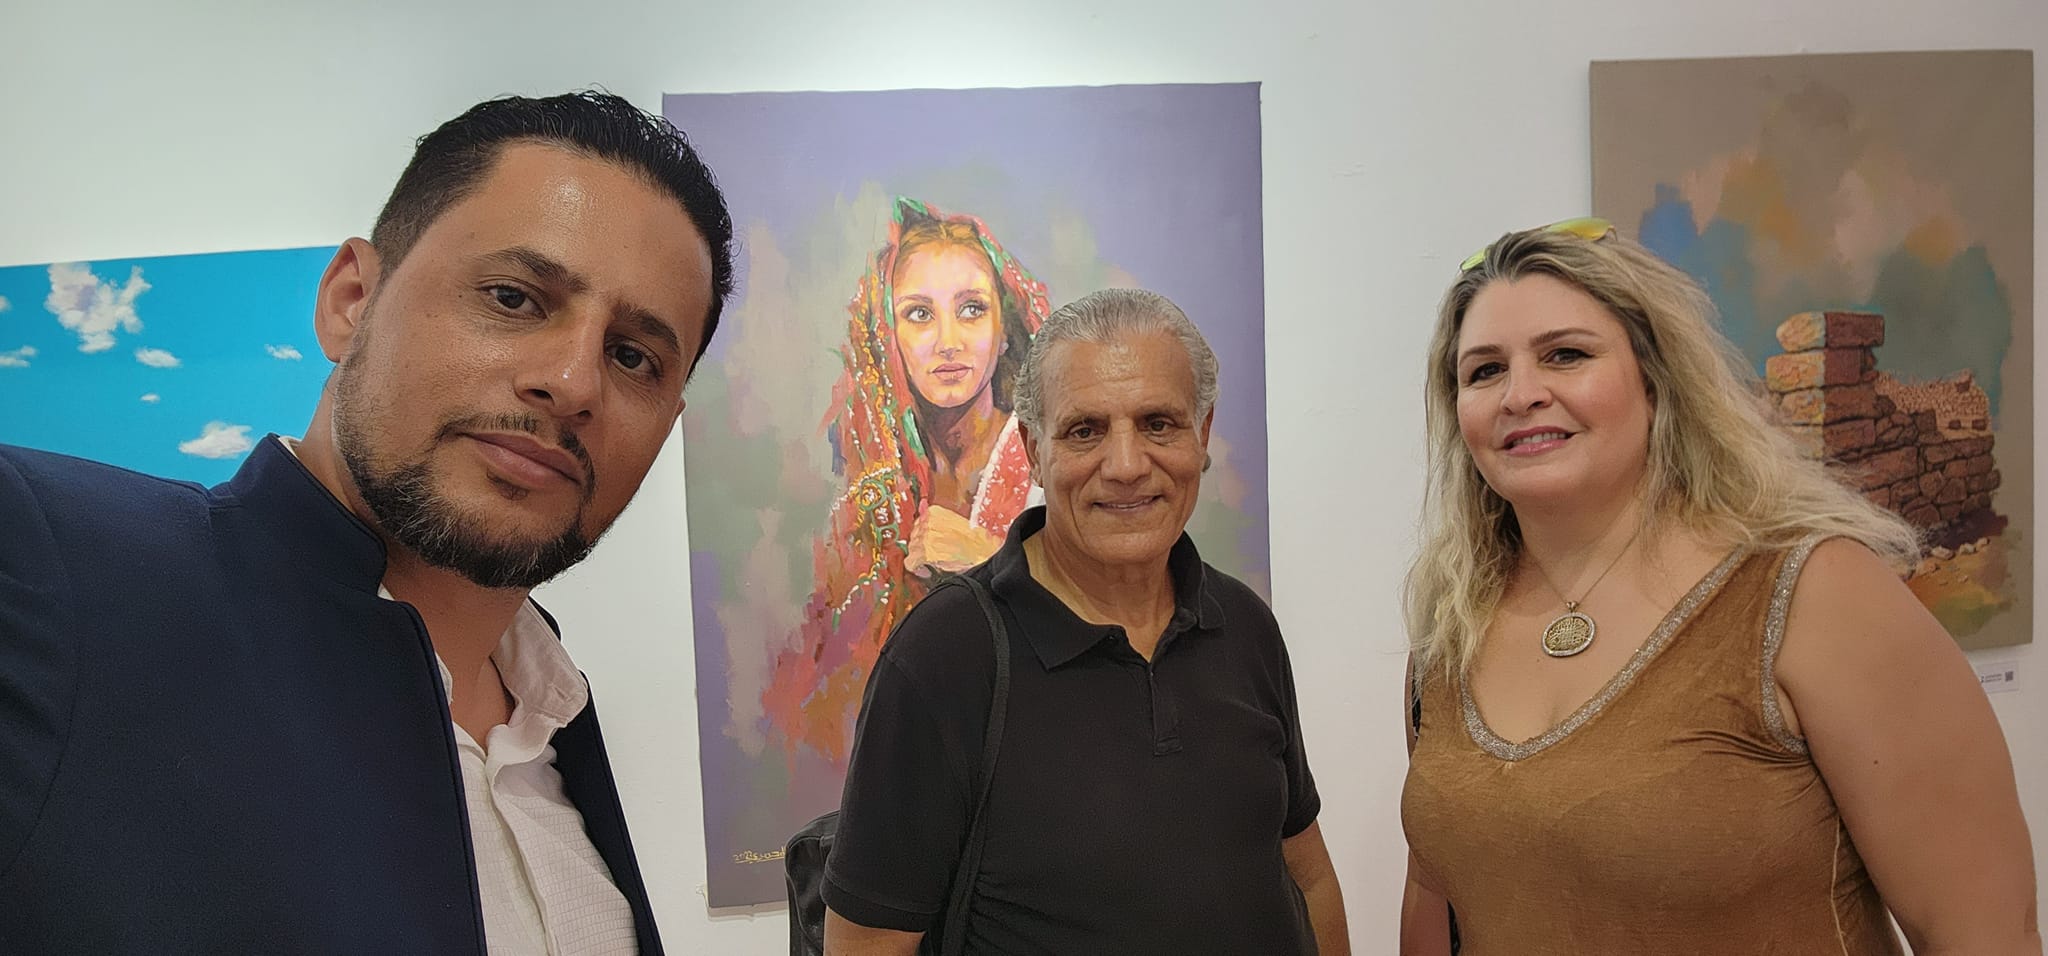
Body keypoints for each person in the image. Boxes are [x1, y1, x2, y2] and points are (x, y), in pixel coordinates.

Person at [0, 91, 734, 954]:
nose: (574, 383)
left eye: (633, 356)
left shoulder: (551, 706)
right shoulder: (49, 571)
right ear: (352, 300)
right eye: (513, 298)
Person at [1399, 219, 2039, 954]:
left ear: (1654, 379)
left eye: (1565, 355)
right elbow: (1437, 896)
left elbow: (1984, 933)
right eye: (1484, 371)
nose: (1520, 394)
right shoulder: (1450, 634)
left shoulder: (1815, 592)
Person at [823, 288, 1350, 955]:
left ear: (1202, 435)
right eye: (1084, 431)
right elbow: (869, 946)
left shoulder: (1244, 626)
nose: (1126, 466)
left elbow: (1307, 874)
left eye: (1158, 423)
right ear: (1033, 450)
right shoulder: (944, 658)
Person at [763, 197, 1048, 762]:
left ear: (1005, 327)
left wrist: (990, 561)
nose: (948, 341)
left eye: (971, 309)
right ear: (886, 336)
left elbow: (1101, 640)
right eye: (919, 314)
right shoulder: (869, 477)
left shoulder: (1049, 463)